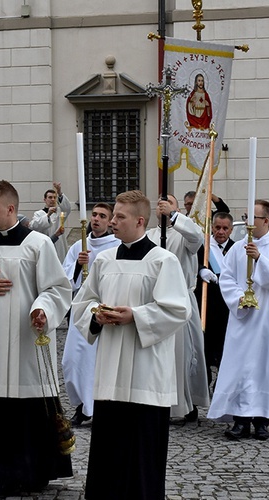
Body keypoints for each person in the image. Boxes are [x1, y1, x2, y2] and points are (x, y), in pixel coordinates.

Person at [72, 190, 190, 500]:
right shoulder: (105, 260)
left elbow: (178, 310)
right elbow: (83, 302)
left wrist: (135, 316)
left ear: (139, 221)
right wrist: (97, 316)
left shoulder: (163, 260)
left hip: (146, 375)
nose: (112, 221)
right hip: (110, 373)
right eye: (112, 216)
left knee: (142, 453)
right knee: (109, 449)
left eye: (119, 217)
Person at [0, 180, 72, 499]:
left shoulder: (38, 244)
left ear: (10, 208)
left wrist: (42, 309)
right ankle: (2, 475)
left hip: (28, 340)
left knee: (32, 410)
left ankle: (37, 473)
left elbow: (57, 288)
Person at [208, 200, 269, 441]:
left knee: (264, 367)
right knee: (241, 366)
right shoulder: (238, 248)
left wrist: (260, 259)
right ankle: (240, 419)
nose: (248, 222)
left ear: (266, 222)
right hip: (244, 318)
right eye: (247, 216)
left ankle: (262, 420)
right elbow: (226, 278)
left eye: (253, 218)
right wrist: (240, 298)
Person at [147, 194, 209, 423]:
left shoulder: (184, 234)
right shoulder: (150, 235)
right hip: (155, 302)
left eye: (168, 204)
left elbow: (197, 237)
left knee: (184, 354)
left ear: (178, 209)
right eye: (159, 204)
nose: (161, 207)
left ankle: (187, 402)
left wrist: (173, 217)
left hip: (180, 299)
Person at [61, 202, 120, 427]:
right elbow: (64, 280)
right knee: (73, 360)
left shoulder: (116, 246)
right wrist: (77, 265)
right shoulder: (79, 246)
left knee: (99, 361)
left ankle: (96, 406)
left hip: (105, 309)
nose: (96, 219)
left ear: (110, 220)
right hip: (82, 309)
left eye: (102, 216)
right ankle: (80, 404)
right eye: (94, 214)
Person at [195, 212, 234, 386]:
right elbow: (189, 265)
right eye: (217, 227)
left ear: (231, 230)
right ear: (212, 227)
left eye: (225, 228)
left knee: (226, 350)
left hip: (229, 309)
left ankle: (222, 384)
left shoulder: (237, 248)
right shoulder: (202, 247)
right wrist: (200, 269)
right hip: (207, 308)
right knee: (206, 350)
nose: (220, 232)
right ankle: (205, 384)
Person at [29, 182, 73, 260]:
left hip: (59, 246)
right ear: (45, 200)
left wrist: (59, 192)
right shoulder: (38, 214)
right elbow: (34, 226)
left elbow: (67, 208)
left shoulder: (60, 211)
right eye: (50, 197)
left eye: (54, 197)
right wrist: (48, 215)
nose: (52, 199)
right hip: (45, 247)